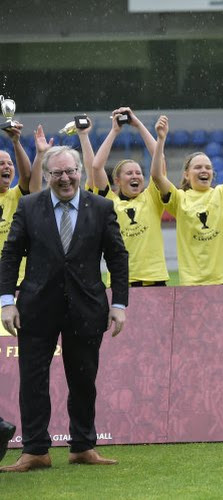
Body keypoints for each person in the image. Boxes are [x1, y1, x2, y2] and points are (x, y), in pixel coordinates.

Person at [0, 146, 128, 472]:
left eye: (70, 171)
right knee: (33, 382)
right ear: (47, 176)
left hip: (87, 309)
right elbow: (11, 255)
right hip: (35, 308)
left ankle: (83, 447)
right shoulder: (28, 206)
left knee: (84, 382)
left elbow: (117, 258)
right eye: (57, 173)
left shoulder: (101, 207)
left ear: (80, 172)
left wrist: (119, 304)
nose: (65, 178)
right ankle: (35, 451)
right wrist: (6, 302)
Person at [151, 114, 223, 285]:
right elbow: (156, 176)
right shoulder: (178, 198)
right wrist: (161, 139)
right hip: (192, 281)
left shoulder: (222, 193)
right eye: (197, 167)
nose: (204, 170)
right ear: (186, 174)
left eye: (208, 167)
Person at [87, 107, 169, 286]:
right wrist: (114, 131)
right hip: (121, 280)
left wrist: (138, 124)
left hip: (155, 278)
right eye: (129, 173)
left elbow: (159, 158)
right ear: (117, 180)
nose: (135, 176)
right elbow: (96, 167)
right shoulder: (109, 201)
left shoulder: (152, 197)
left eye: (138, 173)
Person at [0, 122, 39, 288]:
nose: (7, 166)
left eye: (9, 163)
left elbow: (26, 176)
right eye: (1, 163)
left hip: (18, 281)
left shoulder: (16, 196)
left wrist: (16, 141)